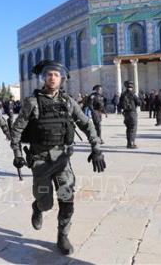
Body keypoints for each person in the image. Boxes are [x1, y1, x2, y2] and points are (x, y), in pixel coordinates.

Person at [9, 59, 106, 255]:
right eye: (49, 74)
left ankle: (62, 236)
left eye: (56, 74)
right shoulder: (32, 103)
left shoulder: (68, 102)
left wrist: (96, 148)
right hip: (41, 161)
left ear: (61, 78)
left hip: (62, 160)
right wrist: (18, 154)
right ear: (44, 78)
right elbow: (17, 130)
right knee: (46, 203)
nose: (52, 77)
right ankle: (37, 207)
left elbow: (87, 124)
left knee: (67, 201)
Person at [118, 81, 141, 148]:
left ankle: (128, 142)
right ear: (132, 87)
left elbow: (119, 104)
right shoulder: (133, 94)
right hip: (132, 113)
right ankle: (131, 143)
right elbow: (139, 103)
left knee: (128, 128)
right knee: (133, 128)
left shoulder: (123, 94)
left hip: (125, 113)